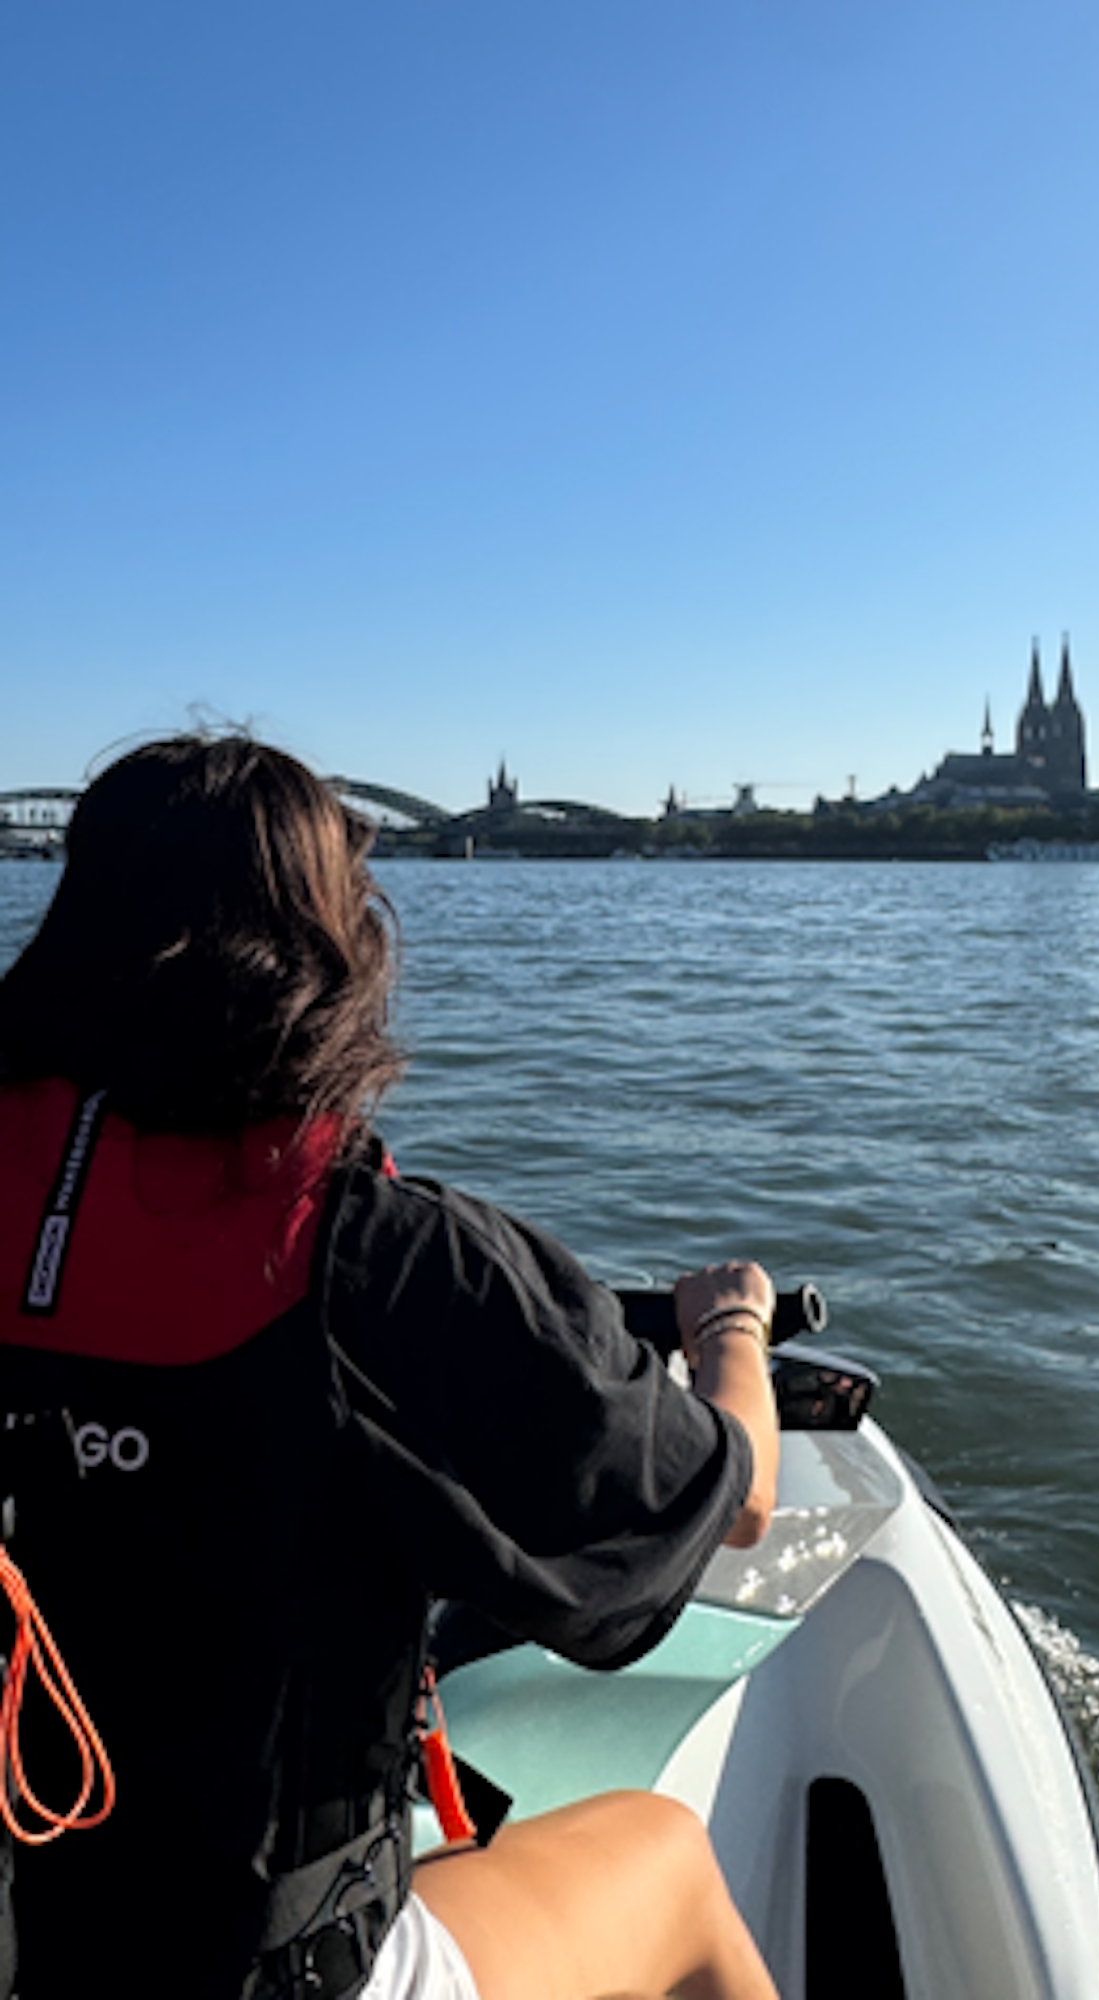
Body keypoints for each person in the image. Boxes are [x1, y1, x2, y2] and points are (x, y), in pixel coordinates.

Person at [0, 733, 782, 2000]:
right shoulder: (384, 1264)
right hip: (271, 1970)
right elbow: (724, 1498)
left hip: (48, 1936)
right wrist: (728, 1332)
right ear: (329, 947)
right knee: (670, 1856)